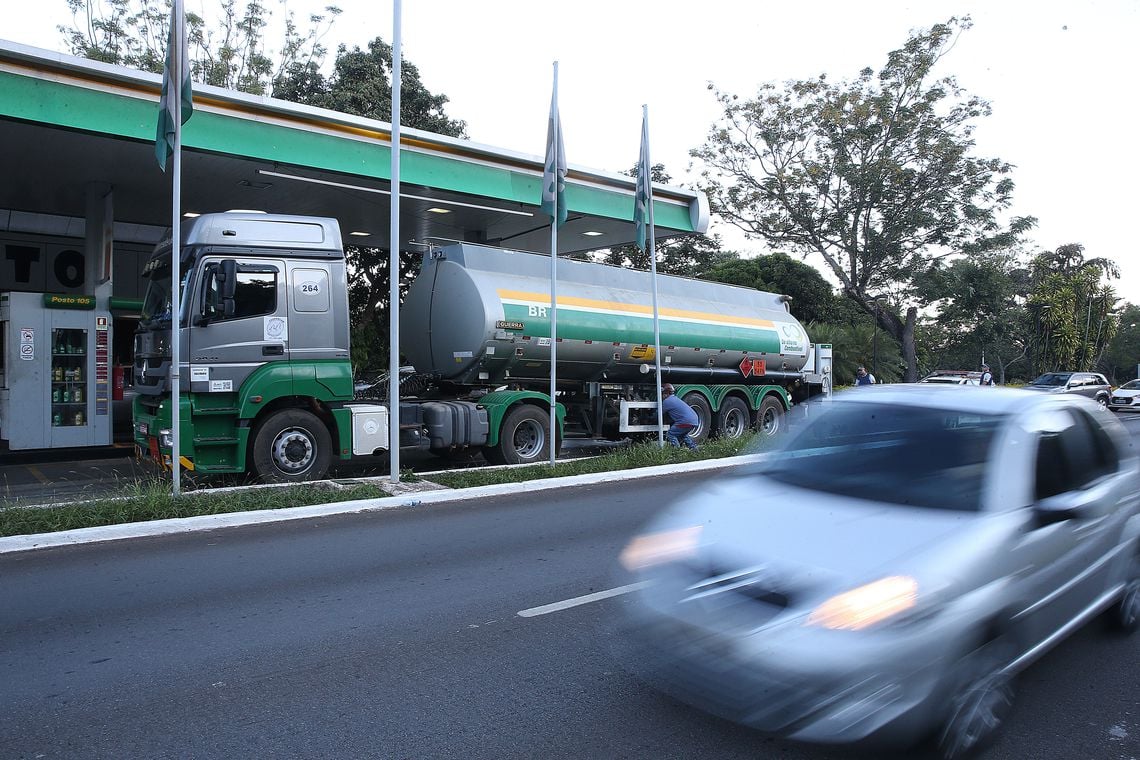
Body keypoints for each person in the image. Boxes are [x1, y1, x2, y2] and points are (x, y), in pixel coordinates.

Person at [660, 383, 699, 450]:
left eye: (662, 394)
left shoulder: (667, 401)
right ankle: (694, 449)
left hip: (685, 422)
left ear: (666, 393)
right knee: (683, 434)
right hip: (694, 420)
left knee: (671, 434)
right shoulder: (675, 399)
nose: (662, 396)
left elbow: (658, 414)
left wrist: (648, 418)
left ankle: (676, 451)